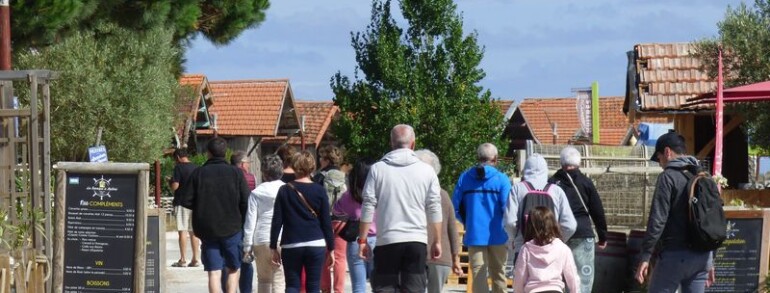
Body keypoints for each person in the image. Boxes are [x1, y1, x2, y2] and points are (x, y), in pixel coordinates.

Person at [358, 124, 443, 293]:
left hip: (387, 239)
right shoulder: (427, 171)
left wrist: (362, 240)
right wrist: (437, 240)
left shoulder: (377, 169)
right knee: (414, 289)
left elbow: (368, 205)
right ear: (413, 144)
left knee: (385, 288)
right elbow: (434, 207)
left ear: (391, 143)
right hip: (416, 240)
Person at [634, 131, 715, 292]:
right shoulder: (704, 177)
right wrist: (712, 260)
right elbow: (713, 221)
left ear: (667, 152)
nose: (659, 163)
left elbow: (657, 220)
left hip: (675, 255)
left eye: (658, 158)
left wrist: (645, 256)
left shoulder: (668, 177)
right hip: (703, 257)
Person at [178, 137, 251, 293]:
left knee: (213, 271)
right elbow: (246, 201)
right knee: (233, 268)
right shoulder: (236, 173)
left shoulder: (199, 173)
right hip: (232, 228)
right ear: (225, 153)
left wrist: (201, 206)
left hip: (207, 229)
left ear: (208, 153)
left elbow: (186, 200)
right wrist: (242, 221)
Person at [270, 151, 335, 293]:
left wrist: (273, 246)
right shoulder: (319, 190)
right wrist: (331, 248)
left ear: (294, 167)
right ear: (312, 167)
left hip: (291, 242)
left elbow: (277, 220)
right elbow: (326, 222)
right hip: (315, 242)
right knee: (313, 285)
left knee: (292, 285)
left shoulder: (284, 190)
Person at [451, 143, 511, 293]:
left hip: (475, 234)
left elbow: (456, 207)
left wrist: (468, 222)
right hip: (499, 234)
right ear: (495, 159)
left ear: (478, 158)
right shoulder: (502, 180)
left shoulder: (464, 178)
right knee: (499, 273)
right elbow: (507, 209)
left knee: (478, 274)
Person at [548, 146, 608, 293]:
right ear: (579, 163)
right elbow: (597, 211)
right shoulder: (585, 182)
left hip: (559, 234)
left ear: (561, 163)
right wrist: (603, 237)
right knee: (583, 277)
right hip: (583, 233)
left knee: (559, 276)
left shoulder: (552, 183)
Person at [505, 153, 576, 255]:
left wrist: (512, 239)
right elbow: (570, 226)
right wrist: (558, 241)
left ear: (525, 169)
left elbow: (510, 222)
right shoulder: (557, 191)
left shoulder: (517, 188)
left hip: (523, 248)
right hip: (551, 251)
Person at [416, 149, 463, 293]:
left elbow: (451, 228)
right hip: (439, 257)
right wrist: (456, 259)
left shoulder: (410, 193)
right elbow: (452, 229)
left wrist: (455, 259)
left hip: (421, 255)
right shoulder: (443, 194)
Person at [332, 158, 377, 293]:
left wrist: (350, 221)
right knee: (378, 285)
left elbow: (336, 212)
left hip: (356, 241)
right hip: (377, 240)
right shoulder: (379, 193)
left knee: (358, 286)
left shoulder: (350, 196)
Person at [243, 154, 286, 293]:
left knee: (263, 280)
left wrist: (247, 246)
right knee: (279, 278)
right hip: (282, 237)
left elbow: (250, 221)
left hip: (261, 238)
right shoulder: (287, 190)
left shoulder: (256, 192)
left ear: (264, 172)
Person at [513, 206, 580, 293]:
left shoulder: (526, 249)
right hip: (555, 290)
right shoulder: (562, 248)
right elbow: (572, 277)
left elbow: (520, 276)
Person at [315, 145, 348, 293]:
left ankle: (326, 289)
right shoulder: (344, 177)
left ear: (327, 160)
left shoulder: (319, 176)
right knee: (340, 258)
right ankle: (339, 290)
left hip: (323, 221)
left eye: (321, 158)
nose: (320, 161)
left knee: (324, 256)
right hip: (342, 220)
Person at [224, 151, 257, 293]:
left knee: (227, 262)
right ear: (243, 163)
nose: (249, 166)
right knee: (246, 261)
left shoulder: (224, 177)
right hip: (245, 222)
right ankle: (246, 290)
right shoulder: (250, 178)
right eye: (248, 163)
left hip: (227, 222)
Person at [170, 148, 201, 268]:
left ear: (177, 157)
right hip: (195, 203)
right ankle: (195, 259)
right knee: (194, 232)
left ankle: (183, 259)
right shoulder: (196, 168)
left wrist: (170, 182)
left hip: (182, 203)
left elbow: (175, 186)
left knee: (182, 231)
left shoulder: (178, 168)